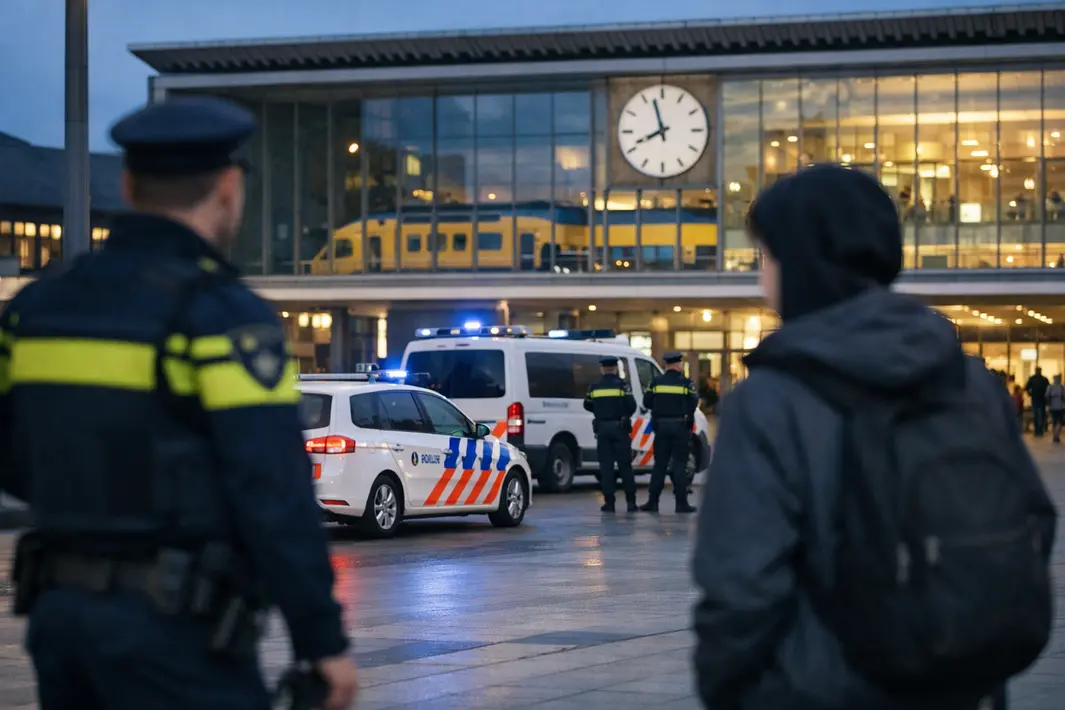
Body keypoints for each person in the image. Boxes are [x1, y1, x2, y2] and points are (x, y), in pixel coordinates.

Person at [0, 97, 357, 710]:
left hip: (60, 622)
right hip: (176, 632)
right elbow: (274, 489)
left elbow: (13, 460)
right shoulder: (220, 316)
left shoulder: (34, 309)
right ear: (227, 187)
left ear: (130, 184)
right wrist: (320, 639)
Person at [691, 165, 1055, 710]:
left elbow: (740, 584)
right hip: (962, 678)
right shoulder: (968, 379)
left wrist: (731, 690)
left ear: (798, 262)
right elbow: (1034, 520)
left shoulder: (770, 399)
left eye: (764, 256)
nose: (760, 273)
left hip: (821, 687)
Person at [639, 351, 698, 514]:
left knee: (660, 465)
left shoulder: (656, 382)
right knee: (679, 464)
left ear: (666, 365)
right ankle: (681, 503)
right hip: (680, 427)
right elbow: (693, 403)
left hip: (661, 427)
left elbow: (647, 402)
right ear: (678, 365)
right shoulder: (686, 383)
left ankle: (653, 502)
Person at [583, 355, 638, 512]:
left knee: (606, 467)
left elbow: (587, 405)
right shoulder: (622, 386)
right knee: (625, 466)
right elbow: (632, 406)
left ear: (602, 369)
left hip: (602, 429)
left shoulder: (595, 386)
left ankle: (609, 503)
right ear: (615, 369)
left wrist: (601, 411)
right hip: (620, 428)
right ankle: (631, 503)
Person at [1026, 366, 1050, 436]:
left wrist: (1030, 394)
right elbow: (1027, 388)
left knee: (1038, 415)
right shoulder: (1043, 379)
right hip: (1039, 399)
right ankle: (1039, 430)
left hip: (1038, 399)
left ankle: (1038, 430)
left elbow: (1027, 388)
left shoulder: (1034, 379)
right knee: (1039, 415)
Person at [1048, 374, 1065, 443]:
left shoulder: (1050, 387)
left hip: (1054, 407)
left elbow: (1047, 396)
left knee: (1055, 422)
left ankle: (1055, 436)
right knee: (1059, 421)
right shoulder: (1061, 387)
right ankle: (1056, 436)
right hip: (1059, 407)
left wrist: (1049, 405)